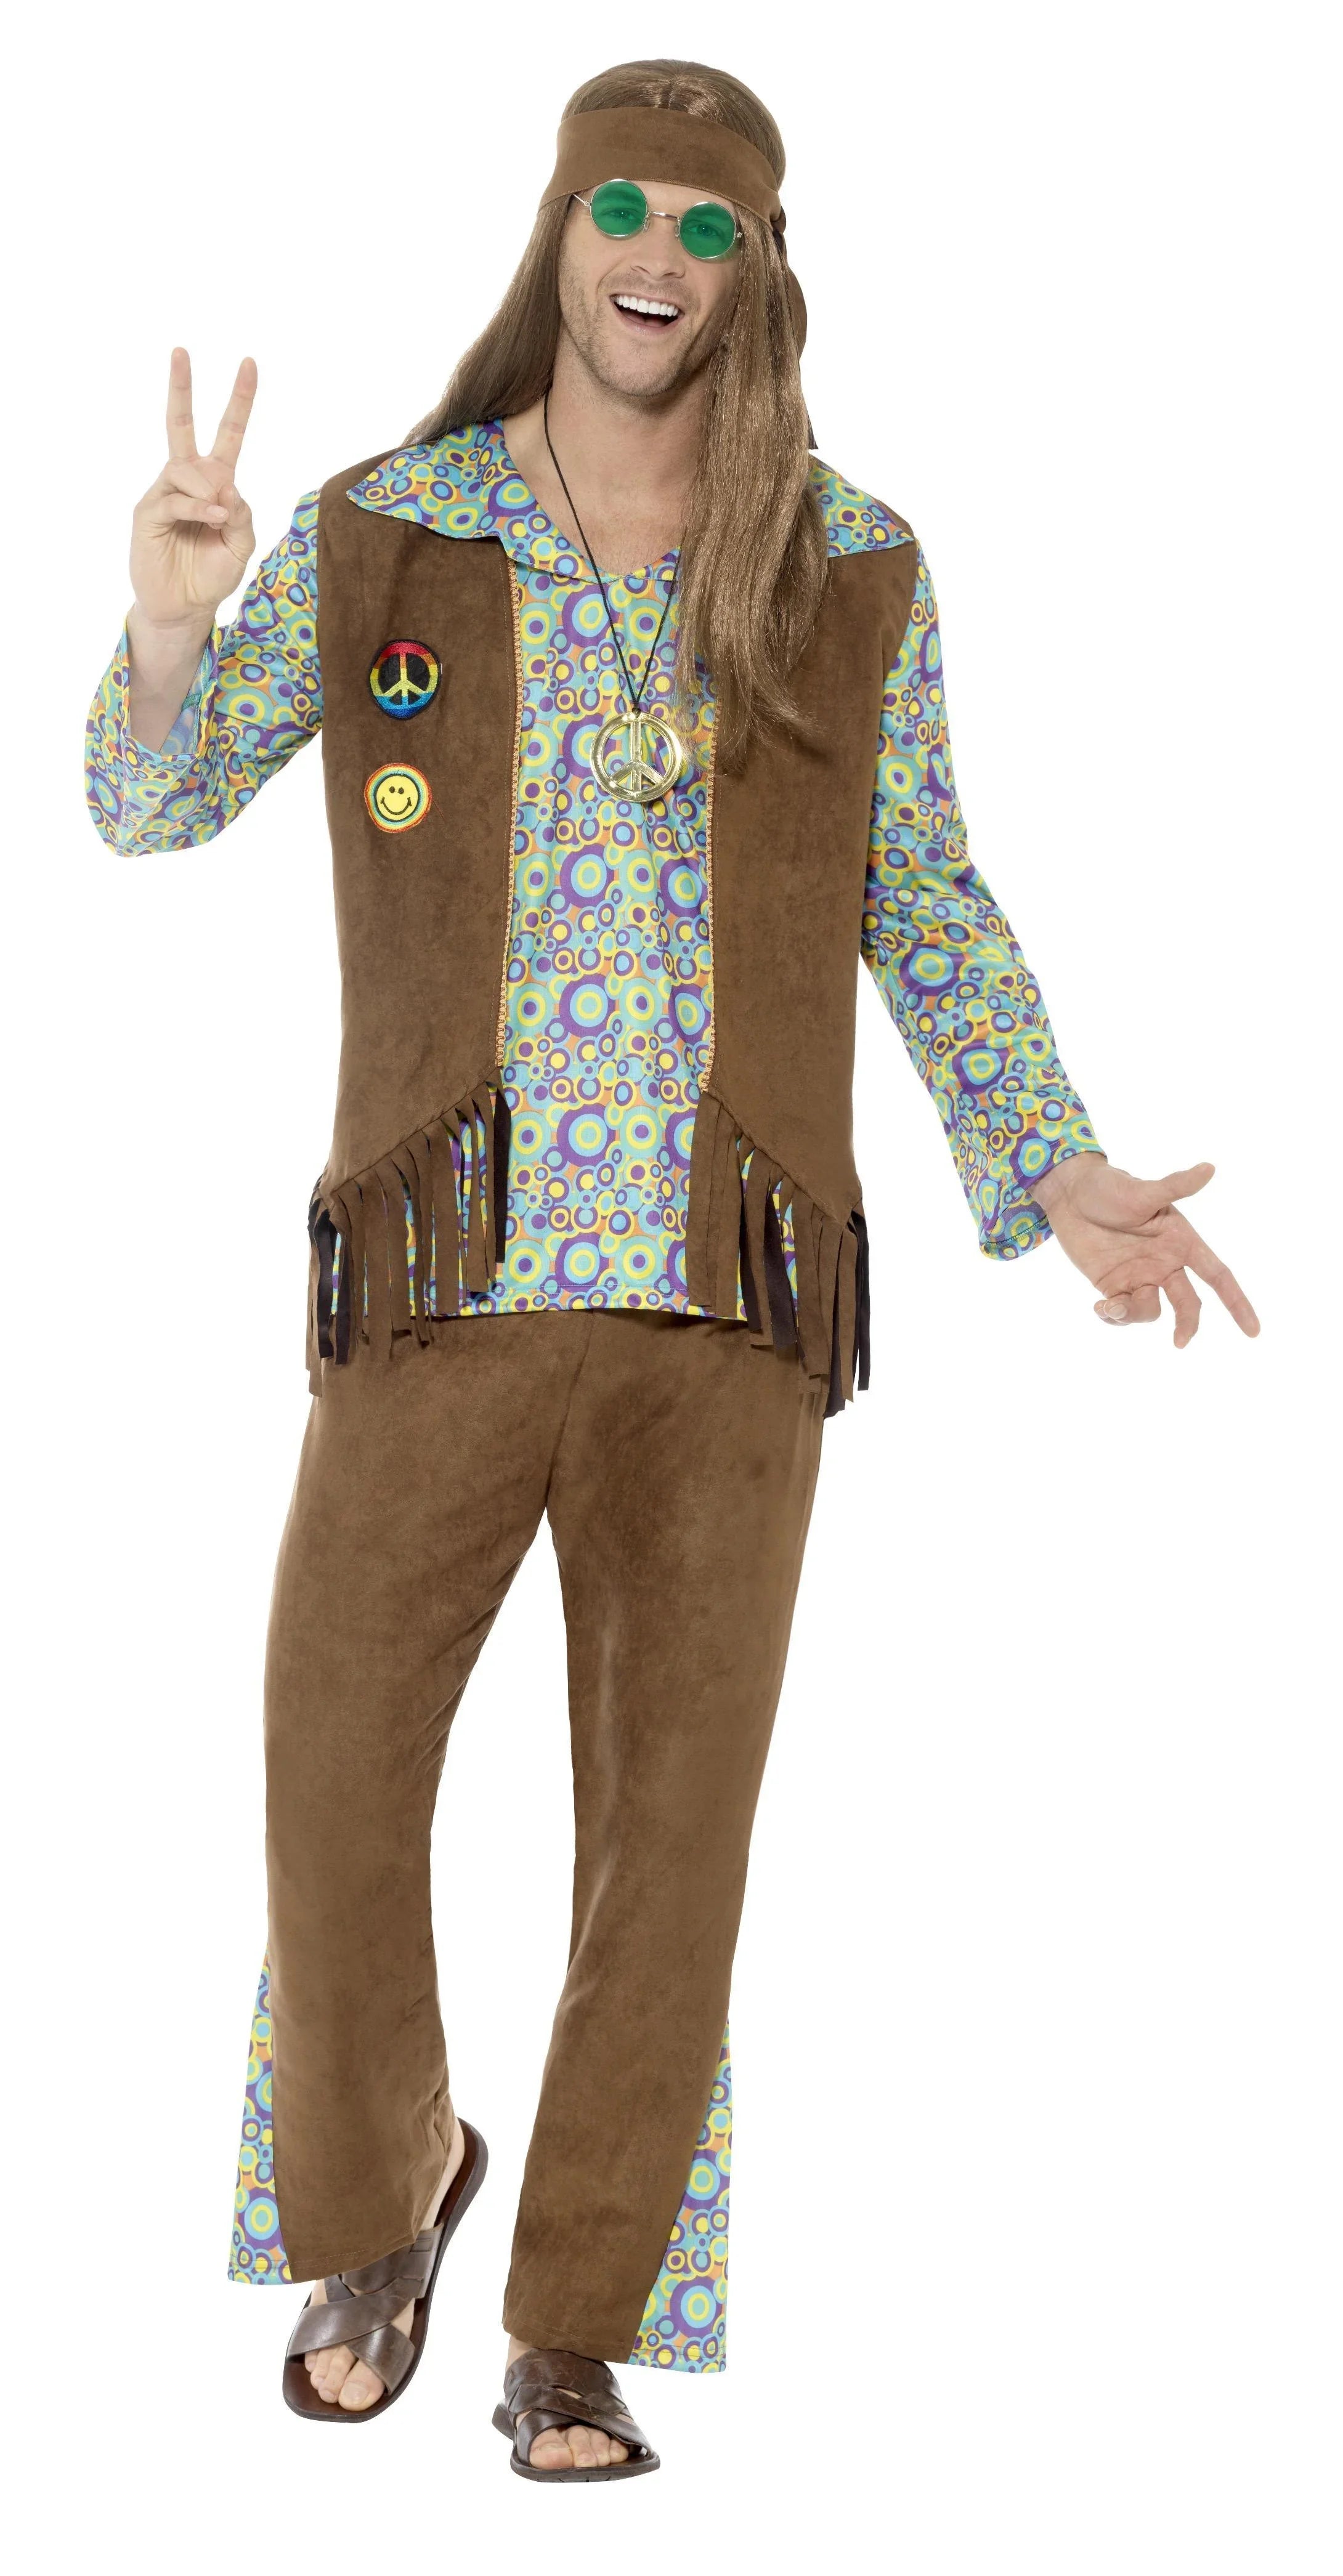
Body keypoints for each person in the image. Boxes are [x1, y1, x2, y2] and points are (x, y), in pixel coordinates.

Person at [84, 57, 1259, 2481]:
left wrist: (1050, 1163)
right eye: (619, 207)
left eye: (703, 223)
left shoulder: (844, 559)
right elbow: (149, 805)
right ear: (560, 230)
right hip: (442, 1271)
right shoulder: (390, 528)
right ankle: (379, 2198)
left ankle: (575, 2322)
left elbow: (920, 893)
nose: (654, 255)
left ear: (753, 265)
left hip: (730, 1301)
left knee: (670, 1838)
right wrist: (172, 632)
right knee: (328, 1770)